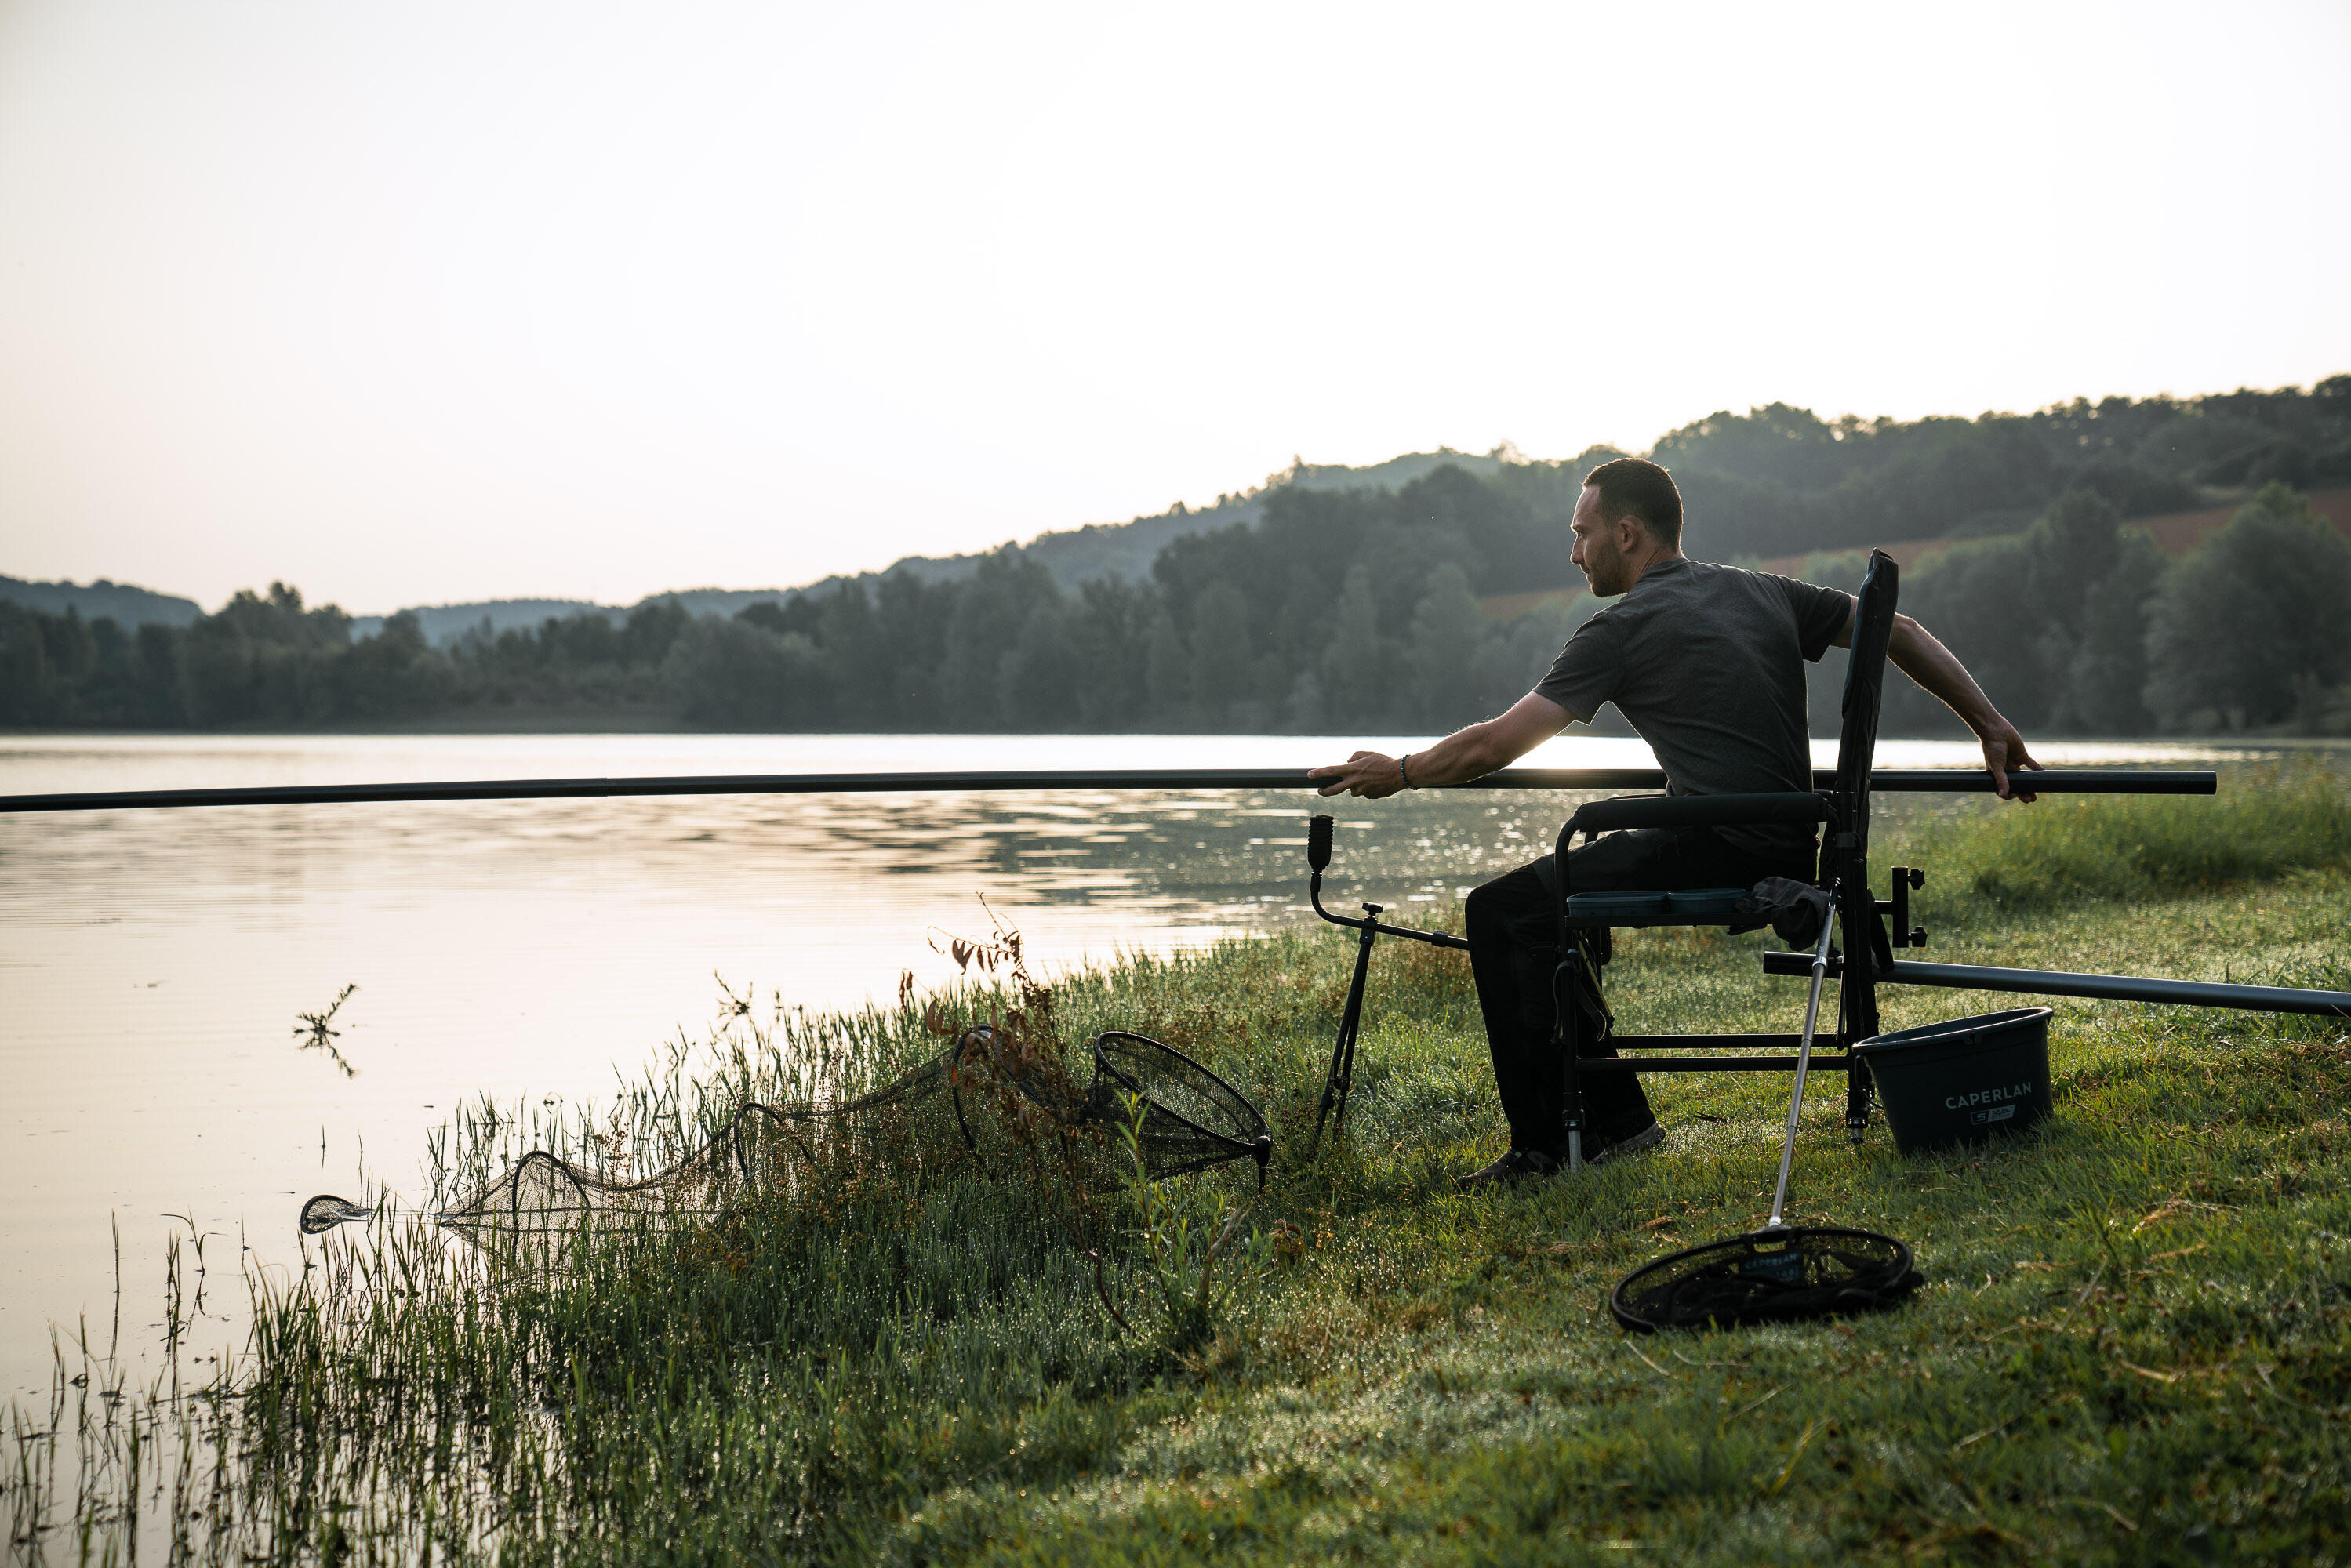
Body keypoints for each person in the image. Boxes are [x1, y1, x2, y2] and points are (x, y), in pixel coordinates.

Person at [1307, 457, 2039, 1187]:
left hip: (1718, 845)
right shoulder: (1762, 592)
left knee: (1501, 910)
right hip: (1793, 836)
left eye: (1581, 532)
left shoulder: (1621, 628)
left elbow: (1496, 744)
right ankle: (1620, 1123)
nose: (1572, 552)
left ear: (1626, 533)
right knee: (1548, 897)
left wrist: (1399, 772)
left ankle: (1544, 1149)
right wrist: (1990, 721)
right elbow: (1899, 628)